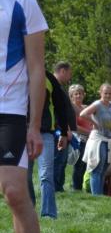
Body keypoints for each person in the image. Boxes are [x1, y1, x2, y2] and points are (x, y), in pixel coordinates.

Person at [0, 0, 48, 233]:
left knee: (15, 193)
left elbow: (36, 68)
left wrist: (35, 125)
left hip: (11, 111)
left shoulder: (23, 2)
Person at [34, 70, 72, 218]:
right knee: (24, 176)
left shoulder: (49, 78)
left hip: (45, 133)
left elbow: (60, 107)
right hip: (20, 130)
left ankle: (48, 213)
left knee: (46, 174)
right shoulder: (17, 73)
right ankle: (28, 210)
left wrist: (63, 132)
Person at [79, 83, 111, 195]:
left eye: (110, 93)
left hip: (108, 139)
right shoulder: (97, 104)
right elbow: (83, 114)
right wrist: (94, 122)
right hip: (98, 139)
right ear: (100, 93)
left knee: (104, 167)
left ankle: (100, 195)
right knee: (97, 166)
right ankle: (96, 195)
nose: (108, 95)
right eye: (105, 93)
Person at [51, 61, 75, 192]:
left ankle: (59, 186)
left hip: (63, 130)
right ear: (62, 71)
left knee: (62, 160)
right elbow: (57, 111)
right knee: (58, 159)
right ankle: (55, 187)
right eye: (69, 73)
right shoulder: (54, 87)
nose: (70, 77)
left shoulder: (59, 87)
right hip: (59, 131)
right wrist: (65, 130)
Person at [68, 84, 93, 190]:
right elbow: (74, 126)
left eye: (80, 93)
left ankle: (82, 186)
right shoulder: (71, 109)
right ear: (71, 96)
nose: (78, 96)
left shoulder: (86, 108)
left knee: (85, 164)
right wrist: (89, 132)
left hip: (89, 140)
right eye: (76, 94)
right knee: (78, 164)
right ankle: (76, 187)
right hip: (78, 139)